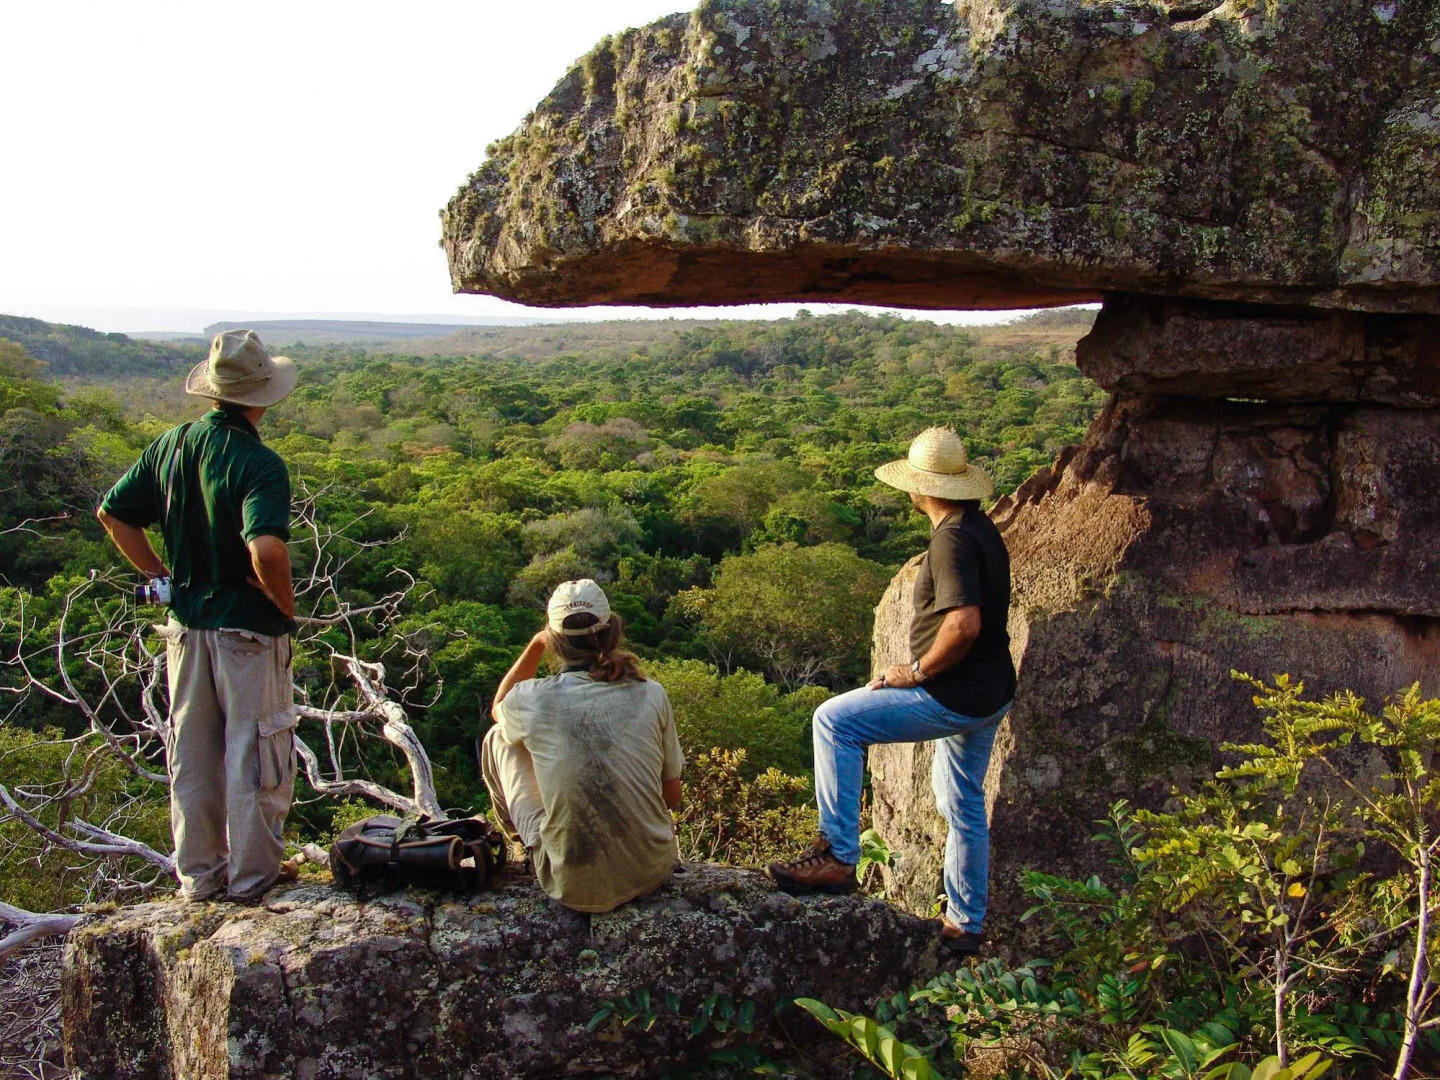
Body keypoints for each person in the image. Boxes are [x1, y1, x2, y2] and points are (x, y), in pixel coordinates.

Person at [765, 427, 1017, 955]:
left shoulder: (950, 538)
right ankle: (966, 923)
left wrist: (917, 671)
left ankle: (837, 855)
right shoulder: (979, 527)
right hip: (990, 692)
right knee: (963, 803)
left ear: (919, 488)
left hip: (953, 693)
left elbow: (964, 624)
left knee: (835, 721)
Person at [96, 329, 299, 903]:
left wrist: (160, 577)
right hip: (247, 630)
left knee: (193, 750)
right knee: (256, 749)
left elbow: (112, 514)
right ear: (261, 396)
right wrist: (283, 603)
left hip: (184, 626)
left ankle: (200, 878)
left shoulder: (171, 446)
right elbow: (267, 548)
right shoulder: (258, 462)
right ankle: (253, 879)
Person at [481, 579, 685, 913]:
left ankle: (525, 847)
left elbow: (498, 706)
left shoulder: (533, 699)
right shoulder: (650, 693)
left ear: (554, 642)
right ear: (613, 630)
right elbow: (672, 797)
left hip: (573, 885)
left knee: (499, 737)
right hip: (651, 870)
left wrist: (534, 646)